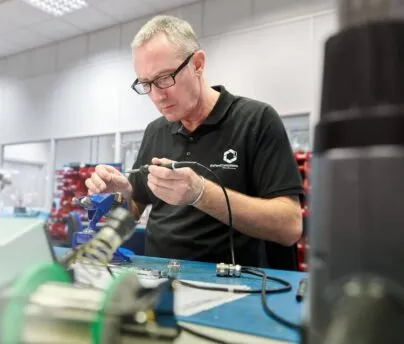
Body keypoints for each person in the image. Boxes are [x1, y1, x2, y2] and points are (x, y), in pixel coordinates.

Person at [85, 15, 303, 266]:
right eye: (146, 84)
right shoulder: (155, 131)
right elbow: (133, 210)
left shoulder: (255, 120)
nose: (156, 96)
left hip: (230, 286)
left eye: (165, 78)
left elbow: (289, 226)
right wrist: (120, 196)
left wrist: (200, 193)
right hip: (157, 281)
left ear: (198, 64)